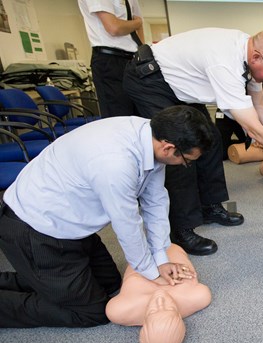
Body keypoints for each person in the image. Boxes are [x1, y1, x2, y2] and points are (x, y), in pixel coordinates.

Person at [122, 28, 263, 255]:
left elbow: (260, 105)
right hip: (152, 80)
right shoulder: (225, 62)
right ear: (256, 58)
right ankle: (181, 229)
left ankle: (210, 206)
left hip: (181, 87)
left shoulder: (250, 56)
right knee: (180, 149)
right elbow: (254, 128)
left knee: (210, 140)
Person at [0, 105, 212, 328]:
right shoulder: (115, 163)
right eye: (187, 161)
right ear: (169, 148)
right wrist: (151, 272)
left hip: (72, 224)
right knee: (93, 312)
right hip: (35, 230)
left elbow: (156, 199)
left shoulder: (151, 136)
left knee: (110, 284)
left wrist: (160, 257)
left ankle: (42, 280)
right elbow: (127, 223)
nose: (185, 165)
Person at [106, 244, 212, 343]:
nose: (160, 300)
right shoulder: (197, 297)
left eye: (153, 311)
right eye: (170, 308)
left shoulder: (120, 310)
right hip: (168, 246)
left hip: (141, 249)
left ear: (144, 321)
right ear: (179, 316)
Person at [78, 0, 143, 117]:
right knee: (119, 119)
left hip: (134, 60)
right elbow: (114, 28)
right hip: (110, 60)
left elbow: (139, 26)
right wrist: (136, 23)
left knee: (142, 118)